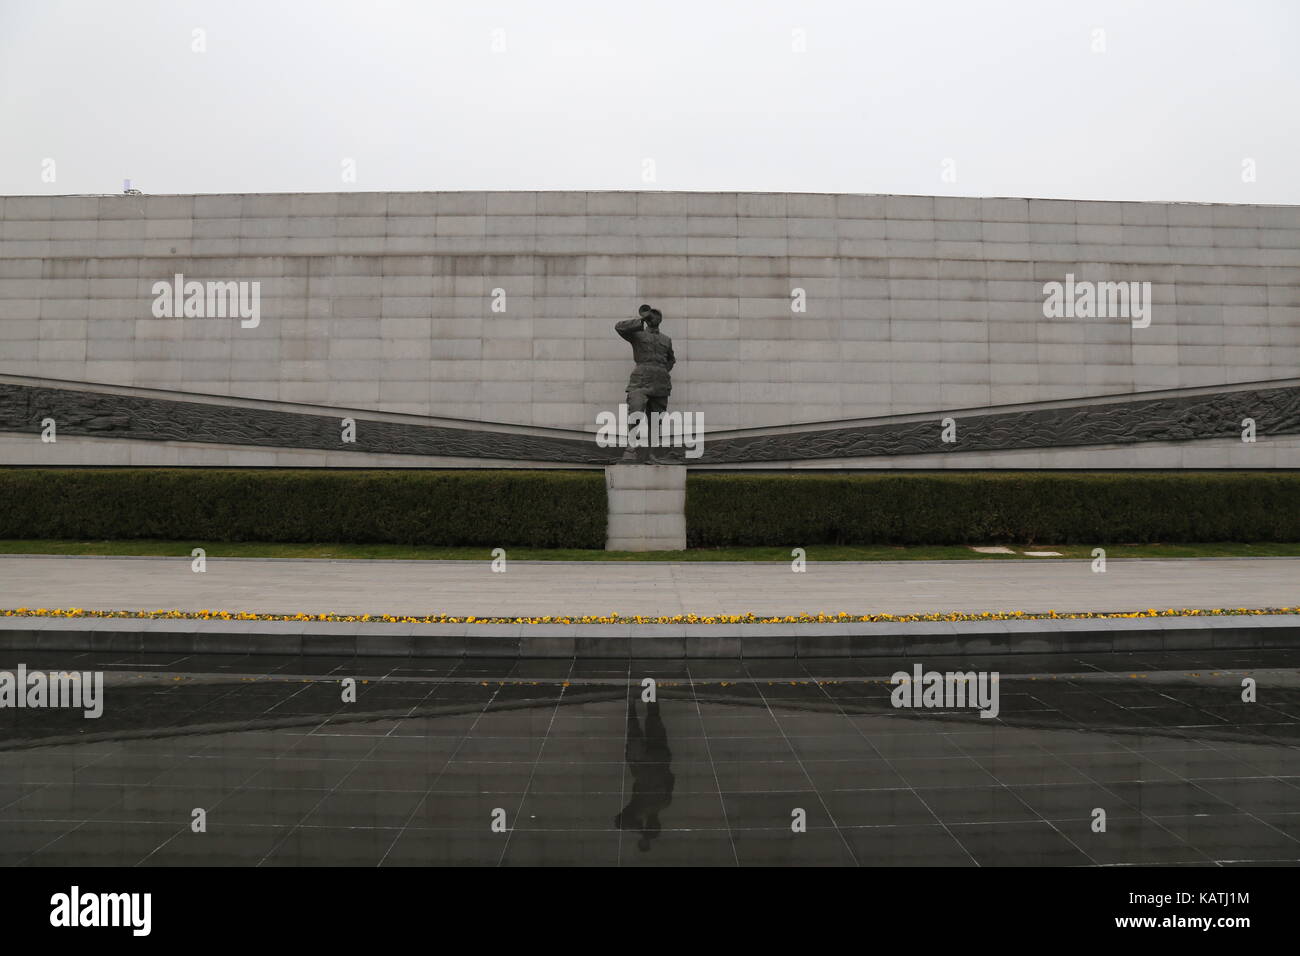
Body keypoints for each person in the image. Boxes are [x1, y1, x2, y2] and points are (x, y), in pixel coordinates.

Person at [614, 304, 675, 463]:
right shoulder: (638, 334)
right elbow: (619, 328)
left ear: (661, 319)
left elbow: (671, 360)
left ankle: (651, 455)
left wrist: (662, 371)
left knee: (656, 420)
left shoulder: (666, 340)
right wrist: (641, 319)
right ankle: (631, 448)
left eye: (657, 314)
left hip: (660, 383)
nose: (654, 317)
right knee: (635, 410)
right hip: (640, 380)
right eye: (652, 314)